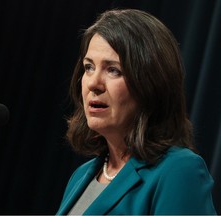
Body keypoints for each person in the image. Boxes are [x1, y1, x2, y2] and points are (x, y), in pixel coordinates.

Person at [56, 8, 217, 215]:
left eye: (113, 70)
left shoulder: (178, 171)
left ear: (150, 84)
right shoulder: (81, 176)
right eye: (89, 67)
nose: (94, 83)